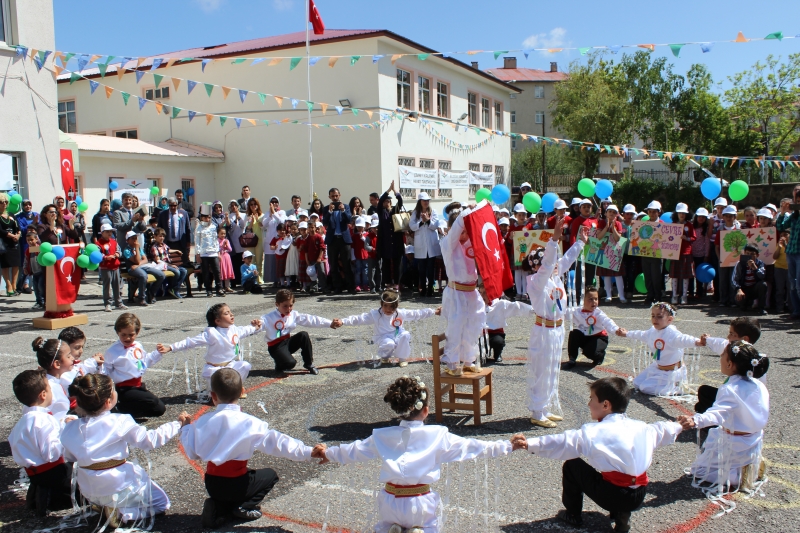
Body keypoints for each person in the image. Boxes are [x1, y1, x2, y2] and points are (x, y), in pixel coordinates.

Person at [317, 376, 517, 533]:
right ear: (426, 410)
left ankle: (391, 528)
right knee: (429, 527)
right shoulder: (438, 435)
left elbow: (354, 450)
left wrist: (330, 453)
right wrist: (507, 445)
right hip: (420, 500)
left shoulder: (381, 435)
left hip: (390, 499)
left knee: (386, 525)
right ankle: (419, 529)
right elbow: (473, 447)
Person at [512, 377, 683, 533]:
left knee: (572, 465)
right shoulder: (643, 427)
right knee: (617, 469)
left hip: (614, 496)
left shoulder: (594, 432)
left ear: (606, 405)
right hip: (639, 495)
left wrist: (530, 444)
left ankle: (573, 514)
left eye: (592, 399)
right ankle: (622, 515)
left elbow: (563, 441)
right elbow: (663, 429)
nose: (588, 404)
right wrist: (679, 425)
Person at [182, 368, 322, 527]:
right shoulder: (250, 423)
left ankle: (218, 507)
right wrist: (308, 452)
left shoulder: (202, 422)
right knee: (270, 475)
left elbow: (192, 453)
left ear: (213, 396)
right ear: (242, 392)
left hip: (212, 484)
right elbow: (278, 443)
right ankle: (242, 506)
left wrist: (186, 427)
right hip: (238, 484)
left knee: (231, 486)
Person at [61, 373, 190, 527]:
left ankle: (103, 505)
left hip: (88, 489)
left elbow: (69, 457)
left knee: (108, 493)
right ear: (109, 401)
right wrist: (176, 424)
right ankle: (123, 514)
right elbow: (150, 440)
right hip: (117, 484)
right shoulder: (120, 421)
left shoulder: (70, 428)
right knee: (161, 503)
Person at [678, 341, 769, 489]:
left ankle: (741, 475)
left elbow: (717, 413)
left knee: (700, 471)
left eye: (723, 355)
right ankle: (750, 464)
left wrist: (695, 420)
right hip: (753, 439)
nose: (720, 358)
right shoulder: (758, 384)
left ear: (729, 364)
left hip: (734, 442)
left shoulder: (730, 388)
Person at [525, 215, 588, 427]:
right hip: (543, 330)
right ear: (538, 266)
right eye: (546, 263)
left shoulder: (553, 276)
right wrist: (553, 240)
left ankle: (545, 406)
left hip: (556, 329)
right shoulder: (536, 282)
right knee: (541, 370)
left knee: (552, 368)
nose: (554, 266)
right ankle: (536, 411)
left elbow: (566, 260)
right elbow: (550, 264)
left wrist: (580, 242)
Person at [9, 369, 74, 515]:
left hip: (34, 473)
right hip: (55, 472)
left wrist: (62, 424)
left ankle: (39, 492)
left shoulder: (22, 421)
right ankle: (52, 498)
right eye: (50, 388)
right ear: (43, 395)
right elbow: (51, 453)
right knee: (83, 483)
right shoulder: (45, 420)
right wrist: (66, 435)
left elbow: (13, 442)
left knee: (44, 480)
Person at [158, 303, 262, 393]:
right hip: (214, 370)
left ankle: (236, 389)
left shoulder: (233, 329)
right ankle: (215, 392)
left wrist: (255, 327)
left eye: (230, 312)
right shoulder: (212, 333)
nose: (231, 314)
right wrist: (170, 348)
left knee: (245, 366)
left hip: (230, 366)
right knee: (217, 395)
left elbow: (245, 330)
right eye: (226, 313)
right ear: (217, 320)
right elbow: (190, 342)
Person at [341, 288, 440, 367]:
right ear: (381, 304)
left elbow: (417, 313)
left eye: (392, 306)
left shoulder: (400, 313)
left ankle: (402, 358)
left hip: (397, 334)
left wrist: (433, 311)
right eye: (385, 306)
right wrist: (343, 321)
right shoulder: (375, 314)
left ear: (397, 306)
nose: (388, 309)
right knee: (389, 343)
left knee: (405, 335)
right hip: (383, 337)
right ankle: (385, 356)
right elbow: (359, 319)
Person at [439, 204, 484, 376]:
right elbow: (457, 228)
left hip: (472, 291)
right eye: (460, 230)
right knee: (456, 326)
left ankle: (468, 360)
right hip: (456, 292)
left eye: (466, 231)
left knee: (473, 325)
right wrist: (465, 213)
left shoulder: (470, 242)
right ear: (451, 229)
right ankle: (451, 363)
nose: (463, 234)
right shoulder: (447, 244)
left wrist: (475, 212)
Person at [617, 303, 701, 396]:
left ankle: (677, 388)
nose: (655, 319)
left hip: (671, 372)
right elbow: (641, 334)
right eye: (653, 316)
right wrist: (626, 334)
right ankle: (667, 384)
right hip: (657, 367)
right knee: (637, 383)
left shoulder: (672, 334)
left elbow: (685, 339)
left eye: (659, 316)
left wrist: (698, 342)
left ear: (669, 319)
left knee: (645, 388)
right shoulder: (652, 331)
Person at [258, 289, 342, 375]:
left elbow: (310, 319)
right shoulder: (269, 317)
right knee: (290, 364)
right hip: (275, 346)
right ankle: (280, 363)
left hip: (287, 342)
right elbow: (260, 324)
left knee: (303, 335)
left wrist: (329, 323)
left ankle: (309, 364)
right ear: (277, 304)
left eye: (291, 305)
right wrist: (256, 325)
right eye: (285, 306)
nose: (288, 309)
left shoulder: (293, 314)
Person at [103, 313, 169, 418]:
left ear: (137, 333)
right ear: (118, 332)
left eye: (131, 334)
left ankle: (128, 412)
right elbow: (105, 371)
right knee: (154, 403)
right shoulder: (112, 351)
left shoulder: (138, 346)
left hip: (138, 385)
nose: (127, 338)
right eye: (123, 334)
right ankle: (120, 408)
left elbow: (144, 362)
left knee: (159, 410)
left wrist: (158, 352)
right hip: (124, 389)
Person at [695, 316, 761, 414]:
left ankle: (710, 424)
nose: (728, 337)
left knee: (705, 396)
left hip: (740, 404)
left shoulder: (745, 361)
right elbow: (721, 344)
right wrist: (707, 339)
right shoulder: (738, 351)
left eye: (731, 334)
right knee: (704, 392)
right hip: (737, 400)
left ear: (744, 339)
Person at [31, 335, 102, 421]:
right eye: (68, 356)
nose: (72, 358)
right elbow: (42, 416)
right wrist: (63, 420)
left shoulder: (54, 380)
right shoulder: (49, 388)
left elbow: (81, 368)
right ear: (57, 364)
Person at [567, 287, 621, 369]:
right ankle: (572, 358)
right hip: (585, 336)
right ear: (583, 300)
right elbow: (562, 312)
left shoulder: (598, 313)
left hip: (599, 337)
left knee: (591, 352)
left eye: (596, 299)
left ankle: (600, 355)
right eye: (590, 299)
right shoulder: (577, 311)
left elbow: (607, 321)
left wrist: (616, 329)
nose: (594, 302)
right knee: (574, 333)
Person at [480, 282, 532, 364]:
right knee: (477, 347)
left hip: (496, 333)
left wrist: (532, 310)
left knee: (498, 342)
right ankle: (483, 354)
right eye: (480, 293)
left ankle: (497, 354)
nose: (482, 296)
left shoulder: (500, 304)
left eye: (485, 293)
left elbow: (516, 307)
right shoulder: (477, 305)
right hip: (481, 334)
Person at [322, 188, 355, 294]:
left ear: (339, 195)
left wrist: (343, 211)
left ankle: (350, 286)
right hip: (332, 240)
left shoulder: (345, 207)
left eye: (336, 195)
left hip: (344, 239)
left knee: (347, 264)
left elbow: (349, 220)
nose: (335, 198)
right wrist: (330, 211)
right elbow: (325, 222)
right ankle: (337, 287)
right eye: (332, 196)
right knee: (333, 264)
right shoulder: (327, 208)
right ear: (329, 197)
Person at [409, 192, 440, 298]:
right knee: (421, 269)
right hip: (421, 245)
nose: (426, 202)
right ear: (420, 202)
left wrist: (427, 221)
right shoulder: (415, 213)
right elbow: (412, 226)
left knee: (431, 269)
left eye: (427, 201)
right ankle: (422, 289)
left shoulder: (433, 212)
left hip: (431, 245)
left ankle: (430, 288)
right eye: (424, 201)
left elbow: (435, 225)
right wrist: (421, 222)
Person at [595, 204, 627, 303]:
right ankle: (608, 295)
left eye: (614, 212)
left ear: (617, 215)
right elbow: (599, 236)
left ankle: (621, 296)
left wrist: (613, 228)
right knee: (606, 275)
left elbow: (618, 238)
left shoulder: (618, 223)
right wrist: (606, 226)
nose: (612, 214)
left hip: (615, 251)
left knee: (618, 274)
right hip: (604, 251)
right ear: (605, 213)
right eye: (610, 212)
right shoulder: (601, 222)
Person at [123, 230, 166, 305]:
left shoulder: (139, 248)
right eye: (132, 238)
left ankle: (151, 293)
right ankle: (141, 298)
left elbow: (145, 260)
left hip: (141, 266)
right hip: (132, 269)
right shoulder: (127, 250)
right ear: (127, 240)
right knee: (143, 276)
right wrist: (136, 248)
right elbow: (136, 261)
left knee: (161, 275)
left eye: (135, 238)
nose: (135, 240)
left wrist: (138, 264)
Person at [776, 187, 800, 318]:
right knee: (792, 284)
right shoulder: (794, 216)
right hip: (791, 252)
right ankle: (796, 310)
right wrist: (782, 212)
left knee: (799, 284)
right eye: (797, 200)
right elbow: (780, 227)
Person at [377, 181, 405, 290]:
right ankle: (388, 283)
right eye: (385, 201)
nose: (386, 203)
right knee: (386, 264)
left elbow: (400, 201)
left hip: (396, 241)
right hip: (385, 242)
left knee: (397, 263)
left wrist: (396, 192)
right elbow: (378, 204)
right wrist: (388, 190)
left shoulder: (395, 210)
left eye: (388, 201)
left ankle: (397, 283)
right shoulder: (381, 212)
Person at [668, 203, 696, 305]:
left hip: (686, 252)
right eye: (680, 213)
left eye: (684, 213)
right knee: (674, 275)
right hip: (675, 252)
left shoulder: (689, 225)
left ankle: (684, 295)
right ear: (676, 214)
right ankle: (674, 295)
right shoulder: (673, 225)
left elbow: (694, 237)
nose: (682, 215)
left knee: (685, 276)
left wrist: (686, 238)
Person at [149, 227, 187, 299]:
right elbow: (158, 261)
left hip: (168, 265)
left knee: (183, 271)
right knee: (177, 272)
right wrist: (170, 265)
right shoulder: (154, 247)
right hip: (161, 266)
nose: (162, 238)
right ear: (155, 237)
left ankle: (174, 289)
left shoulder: (163, 245)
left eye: (163, 236)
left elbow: (168, 250)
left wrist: (177, 250)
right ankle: (171, 288)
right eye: (160, 236)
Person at [715, 205, 742, 306]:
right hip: (723, 259)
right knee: (723, 280)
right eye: (727, 216)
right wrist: (719, 258)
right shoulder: (720, 231)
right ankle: (723, 300)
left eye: (731, 216)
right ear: (724, 217)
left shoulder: (739, 230)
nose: (729, 218)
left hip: (736, 260)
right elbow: (717, 247)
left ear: (735, 217)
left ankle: (733, 300)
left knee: (733, 279)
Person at [196, 204, 224, 298]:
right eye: (205, 217)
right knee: (206, 272)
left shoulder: (213, 227)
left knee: (217, 271)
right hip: (204, 253)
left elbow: (215, 240)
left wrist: (218, 252)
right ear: (202, 218)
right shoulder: (199, 228)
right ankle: (208, 290)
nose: (207, 219)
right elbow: (197, 242)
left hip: (213, 253)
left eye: (209, 217)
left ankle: (219, 288)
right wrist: (198, 254)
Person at [732, 244, 768, 315]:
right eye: (747, 253)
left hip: (754, 289)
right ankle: (744, 304)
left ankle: (761, 308)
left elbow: (762, 276)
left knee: (763, 284)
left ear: (757, 255)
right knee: (741, 304)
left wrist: (755, 268)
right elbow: (734, 279)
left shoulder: (760, 263)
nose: (749, 256)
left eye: (752, 254)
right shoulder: (739, 264)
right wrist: (738, 290)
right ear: (744, 253)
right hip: (743, 289)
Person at [640, 201, 664, 304]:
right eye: (650, 211)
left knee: (656, 276)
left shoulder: (663, 224)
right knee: (648, 276)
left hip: (657, 255)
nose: (652, 214)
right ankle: (650, 295)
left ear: (658, 212)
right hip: (645, 254)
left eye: (654, 212)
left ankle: (658, 296)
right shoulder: (644, 224)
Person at [260, 196, 287, 287]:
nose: (274, 203)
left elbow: (281, 221)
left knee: (279, 260)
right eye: (272, 202)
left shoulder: (282, 212)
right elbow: (264, 224)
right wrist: (270, 214)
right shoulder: (267, 213)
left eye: (276, 202)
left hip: (279, 241)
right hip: (269, 241)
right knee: (271, 261)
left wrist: (274, 213)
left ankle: (281, 280)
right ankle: (273, 280)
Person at [0, 192, 22, 296]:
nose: (4, 204)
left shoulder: (11, 215)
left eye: (5, 202)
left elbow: (17, 228)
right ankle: (8, 286)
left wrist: (18, 235)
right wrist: (11, 236)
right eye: (1, 202)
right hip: (4, 243)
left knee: (15, 264)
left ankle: (14, 286)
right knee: (5, 265)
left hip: (14, 243)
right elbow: (0, 231)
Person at [226, 200, 247, 289]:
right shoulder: (229, 216)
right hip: (233, 241)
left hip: (242, 242)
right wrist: (234, 220)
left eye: (235, 205)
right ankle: (234, 281)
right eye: (232, 205)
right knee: (234, 262)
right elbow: (230, 229)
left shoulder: (243, 215)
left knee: (242, 262)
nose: (234, 207)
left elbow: (243, 226)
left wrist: (239, 217)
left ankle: (242, 281)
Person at [302, 219, 327, 292]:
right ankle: (314, 287)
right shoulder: (307, 239)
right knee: (311, 273)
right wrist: (307, 260)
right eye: (309, 227)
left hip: (319, 260)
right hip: (311, 259)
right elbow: (306, 250)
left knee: (321, 273)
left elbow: (322, 248)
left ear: (315, 228)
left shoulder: (319, 237)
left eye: (312, 227)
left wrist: (319, 258)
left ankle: (324, 287)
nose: (311, 229)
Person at [690, 207, 710, 300]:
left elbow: (707, 242)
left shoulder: (705, 229)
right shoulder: (691, 227)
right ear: (696, 217)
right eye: (699, 216)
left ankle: (699, 291)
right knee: (690, 273)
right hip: (690, 253)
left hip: (701, 254)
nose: (701, 219)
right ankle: (690, 291)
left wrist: (706, 254)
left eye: (703, 217)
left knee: (699, 274)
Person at [244, 198, 265, 284]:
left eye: (254, 204)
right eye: (251, 204)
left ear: (258, 205)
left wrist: (258, 219)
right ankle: (252, 278)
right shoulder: (247, 216)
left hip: (259, 241)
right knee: (252, 261)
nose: (253, 206)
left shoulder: (262, 215)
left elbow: (263, 227)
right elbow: (247, 229)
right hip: (250, 242)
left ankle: (259, 278)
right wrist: (252, 222)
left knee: (259, 260)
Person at [23, 231, 45, 309]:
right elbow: (26, 260)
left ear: (36, 239)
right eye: (28, 240)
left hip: (41, 272)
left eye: (31, 239)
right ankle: (38, 302)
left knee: (41, 286)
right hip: (34, 272)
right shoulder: (28, 250)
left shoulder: (40, 249)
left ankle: (44, 301)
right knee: (35, 288)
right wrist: (25, 268)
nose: (30, 242)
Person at [773, 230, 790, 313]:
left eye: (785, 235)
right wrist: (779, 248)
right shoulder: (779, 244)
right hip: (779, 268)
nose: (783, 237)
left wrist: (785, 245)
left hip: (789, 269)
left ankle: (792, 308)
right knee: (779, 289)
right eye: (781, 235)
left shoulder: (792, 245)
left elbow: (790, 254)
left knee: (790, 289)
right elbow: (775, 257)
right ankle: (780, 307)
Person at [351, 216, 370, 291]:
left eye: (361, 227)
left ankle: (365, 284)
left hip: (365, 256)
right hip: (357, 256)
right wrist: (353, 257)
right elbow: (352, 246)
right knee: (357, 271)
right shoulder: (354, 236)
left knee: (365, 271)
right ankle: (358, 284)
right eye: (358, 227)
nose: (359, 228)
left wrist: (362, 238)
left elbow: (368, 244)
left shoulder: (367, 235)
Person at [269, 223, 290, 288]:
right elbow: (271, 246)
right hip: (279, 257)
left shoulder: (287, 237)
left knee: (287, 270)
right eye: (280, 230)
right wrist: (274, 247)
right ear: (277, 231)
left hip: (287, 257)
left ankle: (288, 283)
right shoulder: (275, 238)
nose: (282, 231)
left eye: (283, 230)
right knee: (280, 270)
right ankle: (282, 283)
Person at [218, 225, 235, 293]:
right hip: (220, 257)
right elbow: (217, 249)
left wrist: (227, 245)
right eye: (221, 233)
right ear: (218, 234)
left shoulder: (226, 240)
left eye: (224, 234)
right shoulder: (217, 240)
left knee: (227, 271)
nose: (223, 235)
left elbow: (230, 249)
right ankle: (221, 287)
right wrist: (222, 246)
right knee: (221, 272)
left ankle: (227, 286)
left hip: (226, 257)